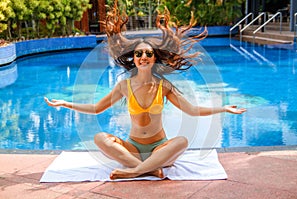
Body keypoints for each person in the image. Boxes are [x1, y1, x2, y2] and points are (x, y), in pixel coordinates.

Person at [44, 3, 246, 180]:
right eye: (138, 53)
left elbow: (192, 110)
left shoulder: (164, 86)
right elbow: (97, 108)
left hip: (160, 148)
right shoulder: (124, 85)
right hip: (132, 149)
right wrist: (65, 103)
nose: (143, 57)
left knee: (182, 141)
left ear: (154, 58)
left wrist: (224, 108)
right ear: (133, 58)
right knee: (100, 138)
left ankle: (134, 170)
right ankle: (146, 170)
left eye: (148, 53)